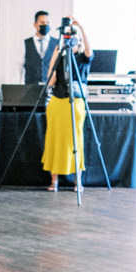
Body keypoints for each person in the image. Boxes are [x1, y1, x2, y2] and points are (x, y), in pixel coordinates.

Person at [41, 17, 93, 192]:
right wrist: (55, 57)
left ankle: (78, 182)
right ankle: (53, 181)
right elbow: (51, 82)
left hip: (76, 102)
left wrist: (81, 28)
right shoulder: (61, 58)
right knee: (55, 141)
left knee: (75, 142)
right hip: (57, 103)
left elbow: (89, 49)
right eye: (67, 38)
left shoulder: (83, 59)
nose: (70, 41)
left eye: (73, 38)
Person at [23, 11, 58, 96]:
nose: (45, 25)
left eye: (48, 23)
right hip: (30, 89)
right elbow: (18, 68)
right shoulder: (26, 43)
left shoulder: (57, 43)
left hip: (52, 89)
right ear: (35, 24)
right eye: (42, 22)